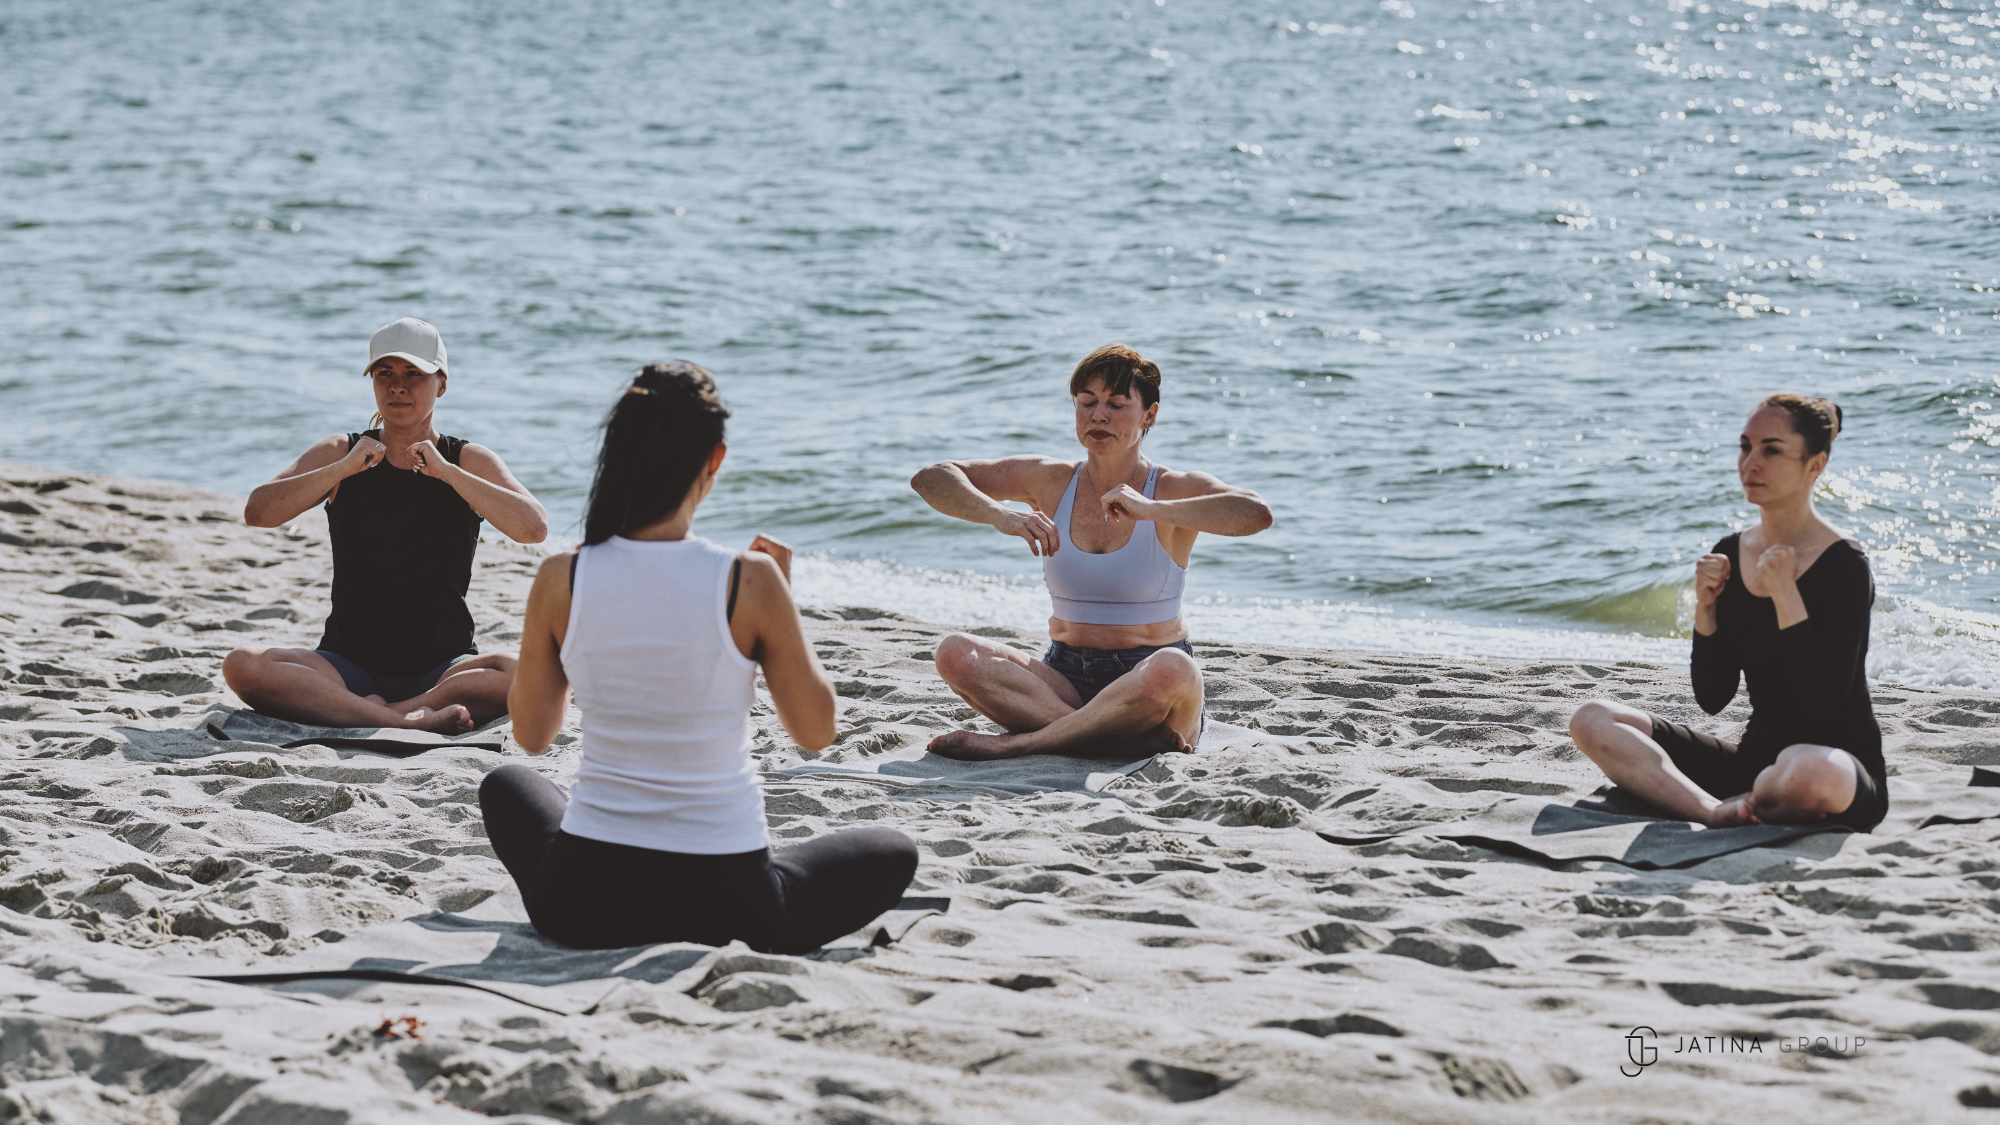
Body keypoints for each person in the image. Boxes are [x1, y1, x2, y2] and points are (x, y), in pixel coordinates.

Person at [480, 362, 917, 953]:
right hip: (729, 904)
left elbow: (533, 735)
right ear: (715, 460)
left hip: (582, 903)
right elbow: (816, 731)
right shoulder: (750, 580)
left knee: (507, 783)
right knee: (894, 851)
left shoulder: (564, 575)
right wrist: (780, 614)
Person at [909, 344, 1274, 761]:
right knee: (956, 654)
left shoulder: (1171, 488)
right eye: (1087, 402)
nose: (1099, 415)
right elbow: (931, 479)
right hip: (1065, 676)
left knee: (1175, 668)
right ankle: (1100, 738)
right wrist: (1000, 516)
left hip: (1148, 680)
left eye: (1117, 404)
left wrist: (1150, 509)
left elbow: (1255, 514)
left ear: (1149, 415)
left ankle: (1026, 742)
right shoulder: (1048, 480)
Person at [1569, 394, 1887, 831]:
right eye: (1745, 446)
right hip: (1753, 764)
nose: (1750, 463)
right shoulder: (1731, 552)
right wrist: (1705, 608)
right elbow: (1713, 698)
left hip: (1838, 767)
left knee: (1807, 768)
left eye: (1771, 450)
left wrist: (1785, 594)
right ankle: (1710, 810)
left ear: (1815, 464)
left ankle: (1746, 802)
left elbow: (1821, 707)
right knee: (1591, 718)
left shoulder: (1845, 564)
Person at [222, 318, 548, 733]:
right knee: (242, 665)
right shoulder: (343, 451)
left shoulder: (465, 460)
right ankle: (403, 719)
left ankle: (387, 712)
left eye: (414, 374)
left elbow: (534, 528)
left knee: (527, 674)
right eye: (385, 373)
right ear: (373, 382)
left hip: (442, 671)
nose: (398, 385)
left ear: (441, 384)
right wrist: (342, 469)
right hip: (347, 667)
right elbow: (258, 512)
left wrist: (448, 475)